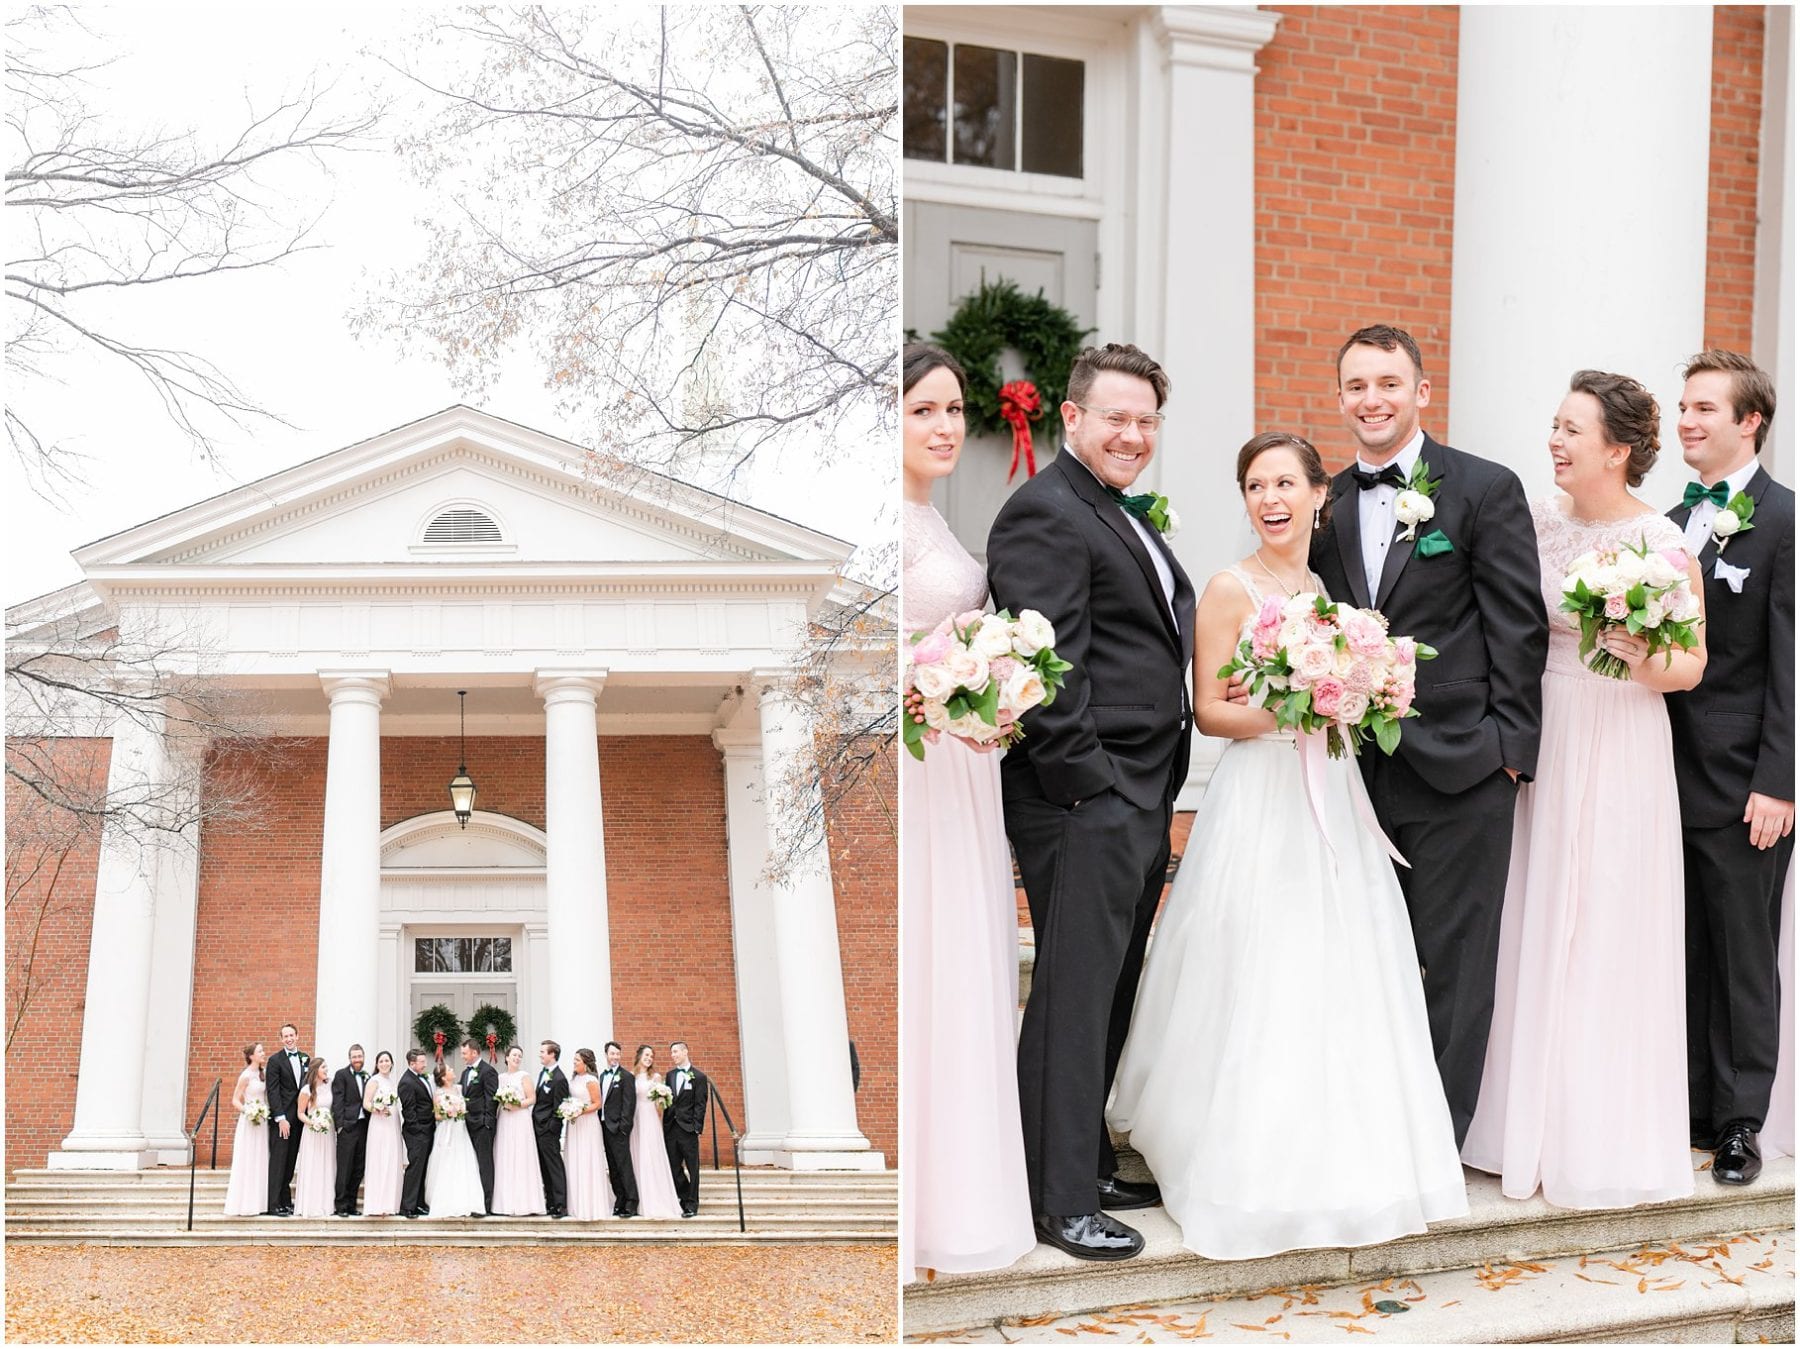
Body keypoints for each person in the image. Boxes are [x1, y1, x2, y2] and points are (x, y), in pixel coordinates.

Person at [1111, 432, 1469, 1258]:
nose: (1268, 497)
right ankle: (1237, 1148)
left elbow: (1351, 686)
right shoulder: (1227, 589)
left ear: (1318, 495)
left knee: (1340, 961)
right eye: (1253, 484)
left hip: (1333, 792)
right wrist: (1302, 708)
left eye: (1283, 482)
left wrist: (1355, 688)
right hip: (1261, 793)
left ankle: (1342, 1139)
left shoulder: (1324, 588)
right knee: (1260, 960)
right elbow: (1211, 710)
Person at [1463, 370, 1706, 1208]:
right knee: (1531, 910)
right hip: (1547, 727)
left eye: (1573, 429)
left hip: (1625, 731)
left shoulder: (1664, 542)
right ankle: (1511, 1120)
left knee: (1608, 916)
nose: (1556, 441)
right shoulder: (1530, 523)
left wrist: (1640, 654)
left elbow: (1691, 664)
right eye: (1554, 425)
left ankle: (1597, 1132)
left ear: (1619, 448)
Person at [1305, 324, 1547, 1146]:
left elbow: (1519, 629)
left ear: (1421, 392)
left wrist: (1512, 755)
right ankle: (1374, 1125)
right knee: (1366, 958)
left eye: (1388, 383)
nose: (1371, 400)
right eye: (1357, 386)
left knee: (1455, 964)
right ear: (1340, 397)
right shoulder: (1323, 500)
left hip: (1464, 766)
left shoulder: (1483, 488)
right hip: (1353, 774)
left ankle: (1438, 1138)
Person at [987, 342, 1195, 1262]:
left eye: (1146, 420)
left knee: (1108, 987)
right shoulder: (1044, 512)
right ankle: (1056, 1196)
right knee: (1072, 994)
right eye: (1116, 416)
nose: (1133, 434)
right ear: (1072, 417)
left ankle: (1089, 1160)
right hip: (1084, 797)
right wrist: (1094, 790)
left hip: (1140, 790)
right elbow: (1047, 666)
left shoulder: (1114, 510)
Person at [900, 343, 1035, 1274]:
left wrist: (995, 685)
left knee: (965, 958)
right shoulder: (892, 527)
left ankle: (965, 1195)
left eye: (953, 409)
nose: (947, 426)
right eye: (923, 410)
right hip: (919, 762)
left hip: (963, 759)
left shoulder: (938, 522)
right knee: (931, 953)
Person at [1665, 349, 1795, 1185]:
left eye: (1704, 407)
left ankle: (1741, 1120)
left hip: (1745, 778)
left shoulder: (1785, 518)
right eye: (1682, 406)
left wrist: (1780, 780)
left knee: (1742, 953)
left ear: (1749, 421)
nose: (1686, 419)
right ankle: (1689, 1104)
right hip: (1660, 772)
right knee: (1679, 945)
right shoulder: (1669, 515)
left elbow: (1792, 662)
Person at [424, 1062, 486, 1218]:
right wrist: (449, 1112)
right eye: (450, 1069)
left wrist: (460, 1110)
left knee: (464, 1163)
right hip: (446, 1130)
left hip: (460, 1130)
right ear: (444, 1077)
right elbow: (437, 1115)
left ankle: (469, 1201)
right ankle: (446, 1201)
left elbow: (465, 1108)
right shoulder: (438, 1093)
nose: (453, 1070)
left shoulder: (458, 1089)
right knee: (446, 1163)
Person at [491, 1045, 547, 1216]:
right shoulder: (500, 1078)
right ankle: (504, 1203)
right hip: (505, 1118)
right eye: (514, 1055)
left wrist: (517, 1105)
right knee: (505, 1155)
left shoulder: (524, 1076)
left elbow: (532, 1098)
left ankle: (525, 1202)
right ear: (506, 1057)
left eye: (519, 1056)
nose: (517, 1058)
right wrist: (505, 1104)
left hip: (520, 1117)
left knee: (521, 1155)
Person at [628, 1044, 682, 1219]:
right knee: (637, 1155)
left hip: (650, 1117)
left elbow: (661, 1106)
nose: (649, 1058)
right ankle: (639, 1199)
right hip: (635, 1118)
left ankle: (656, 1199)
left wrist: (662, 1097)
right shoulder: (632, 1076)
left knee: (651, 1155)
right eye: (646, 1055)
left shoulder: (656, 1077)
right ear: (639, 1056)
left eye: (651, 1056)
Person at [264, 1022, 309, 1216]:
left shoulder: (306, 1058)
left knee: (291, 1160)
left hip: (299, 1118)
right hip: (282, 1120)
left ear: (297, 1036)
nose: (289, 1039)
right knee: (279, 1161)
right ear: (281, 1039)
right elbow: (272, 1091)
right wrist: (280, 1118)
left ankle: (285, 1201)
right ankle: (273, 1204)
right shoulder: (275, 1061)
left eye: (292, 1035)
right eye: (285, 1036)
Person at [562, 1048, 612, 1221]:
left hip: (588, 1124)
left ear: (586, 1062)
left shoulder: (591, 1080)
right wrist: (569, 1109)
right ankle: (575, 1203)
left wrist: (579, 1110)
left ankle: (591, 1204)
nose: (574, 1063)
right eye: (574, 1060)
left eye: (577, 1060)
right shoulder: (574, 1078)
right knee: (575, 1160)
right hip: (574, 1124)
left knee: (587, 1160)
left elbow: (598, 1104)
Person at [223, 1042, 270, 1216]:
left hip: (262, 1121)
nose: (263, 1053)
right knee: (249, 1158)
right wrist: (249, 1111)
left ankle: (259, 1203)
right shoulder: (246, 1076)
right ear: (251, 1056)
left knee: (261, 1158)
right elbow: (235, 1100)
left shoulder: (262, 1074)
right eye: (260, 1051)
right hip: (250, 1121)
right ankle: (245, 1203)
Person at [663, 1041, 708, 1218]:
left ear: (685, 1051)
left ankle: (692, 1204)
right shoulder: (670, 1075)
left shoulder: (699, 1077)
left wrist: (697, 1127)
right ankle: (683, 1197)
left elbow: (701, 1104)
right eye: (671, 1053)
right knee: (674, 1167)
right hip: (671, 1128)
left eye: (675, 1052)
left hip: (688, 1129)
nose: (673, 1055)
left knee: (693, 1167)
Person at [457, 1038, 500, 1214]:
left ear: (474, 1053)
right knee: (471, 1164)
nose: (462, 1056)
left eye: (464, 1053)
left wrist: (487, 1122)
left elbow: (492, 1099)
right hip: (467, 1124)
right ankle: (474, 1201)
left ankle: (487, 1204)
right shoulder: (465, 1073)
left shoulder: (488, 1071)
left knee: (484, 1164)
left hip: (482, 1125)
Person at [360, 1051, 405, 1217]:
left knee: (391, 1159)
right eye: (381, 1061)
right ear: (377, 1064)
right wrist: (377, 1109)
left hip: (392, 1122)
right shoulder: (374, 1081)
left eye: (387, 1060)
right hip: (379, 1123)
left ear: (391, 1063)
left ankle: (389, 1203)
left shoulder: (392, 1082)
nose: (385, 1063)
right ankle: (376, 1203)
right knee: (379, 1159)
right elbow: (366, 1103)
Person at [292, 1057, 337, 1219]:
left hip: (328, 1131)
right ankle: (311, 1205)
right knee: (314, 1165)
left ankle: (327, 1204)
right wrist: (314, 1123)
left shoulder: (330, 1085)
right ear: (316, 1070)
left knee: (327, 1165)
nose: (326, 1070)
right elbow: (300, 1114)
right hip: (313, 1132)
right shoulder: (306, 1091)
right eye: (324, 1067)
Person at [598, 1041, 639, 1218]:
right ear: (606, 1055)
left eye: (617, 1054)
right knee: (613, 1167)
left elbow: (629, 1105)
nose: (615, 1057)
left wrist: (624, 1127)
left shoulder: (626, 1077)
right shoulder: (602, 1076)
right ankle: (619, 1199)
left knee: (624, 1166)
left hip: (618, 1129)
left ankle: (631, 1201)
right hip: (604, 1127)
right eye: (612, 1054)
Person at [532, 1040, 571, 1219]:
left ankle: (561, 1205)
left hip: (548, 1130)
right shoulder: (543, 1073)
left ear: (552, 1054)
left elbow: (559, 1108)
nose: (540, 1054)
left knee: (554, 1166)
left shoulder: (560, 1078)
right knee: (544, 1167)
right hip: (538, 1127)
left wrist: (551, 1128)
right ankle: (550, 1203)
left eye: (543, 1052)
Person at [330, 1044, 370, 1216]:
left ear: (363, 1057)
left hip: (363, 1126)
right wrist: (340, 1125)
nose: (357, 1060)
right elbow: (337, 1102)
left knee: (358, 1168)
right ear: (349, 1058)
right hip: (348, 1127)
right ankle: (341, 1205)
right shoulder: (341, 1075)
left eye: (359, 1056)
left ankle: (352, 1204)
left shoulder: (367, 1076)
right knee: (345, 1168)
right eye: (354, 1057)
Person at [398, 1049, 436, 1219]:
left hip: (428, 1129)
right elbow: (409, 1111)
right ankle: (407, 1207)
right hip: (417, 1133)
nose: (425, 1064)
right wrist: (419, 1130)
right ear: (412, 1063)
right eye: (421, 1061)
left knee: (422, 1169)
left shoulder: (422, 1077)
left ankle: (419, 1203)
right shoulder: (406, 1082)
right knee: (414, 1168)